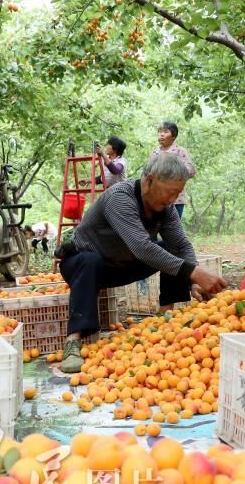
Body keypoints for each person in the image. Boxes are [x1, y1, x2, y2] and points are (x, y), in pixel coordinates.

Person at [56, 152, 227, 373]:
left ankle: (166, 318)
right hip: (83, 265)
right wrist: (195, 273)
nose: (172, 199)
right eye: (170, 192)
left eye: (178, 193)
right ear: (149, 180)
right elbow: (142, 247)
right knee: (91, 260)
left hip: (122, 266)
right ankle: (73, 341)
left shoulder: (166, 210)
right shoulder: (120, 197)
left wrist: (192, 280)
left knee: (170, 250)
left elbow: (182, 245)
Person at [151, 121, 196, 219]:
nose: (161, 134)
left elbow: (191, 171)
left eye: (165, 132)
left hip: (176, 199)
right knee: (154, 228)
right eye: (160, 132)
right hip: (156, 199)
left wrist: (172, 173)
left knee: (174, 229)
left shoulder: (180, 151)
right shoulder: (155, 152)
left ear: (173, 136)